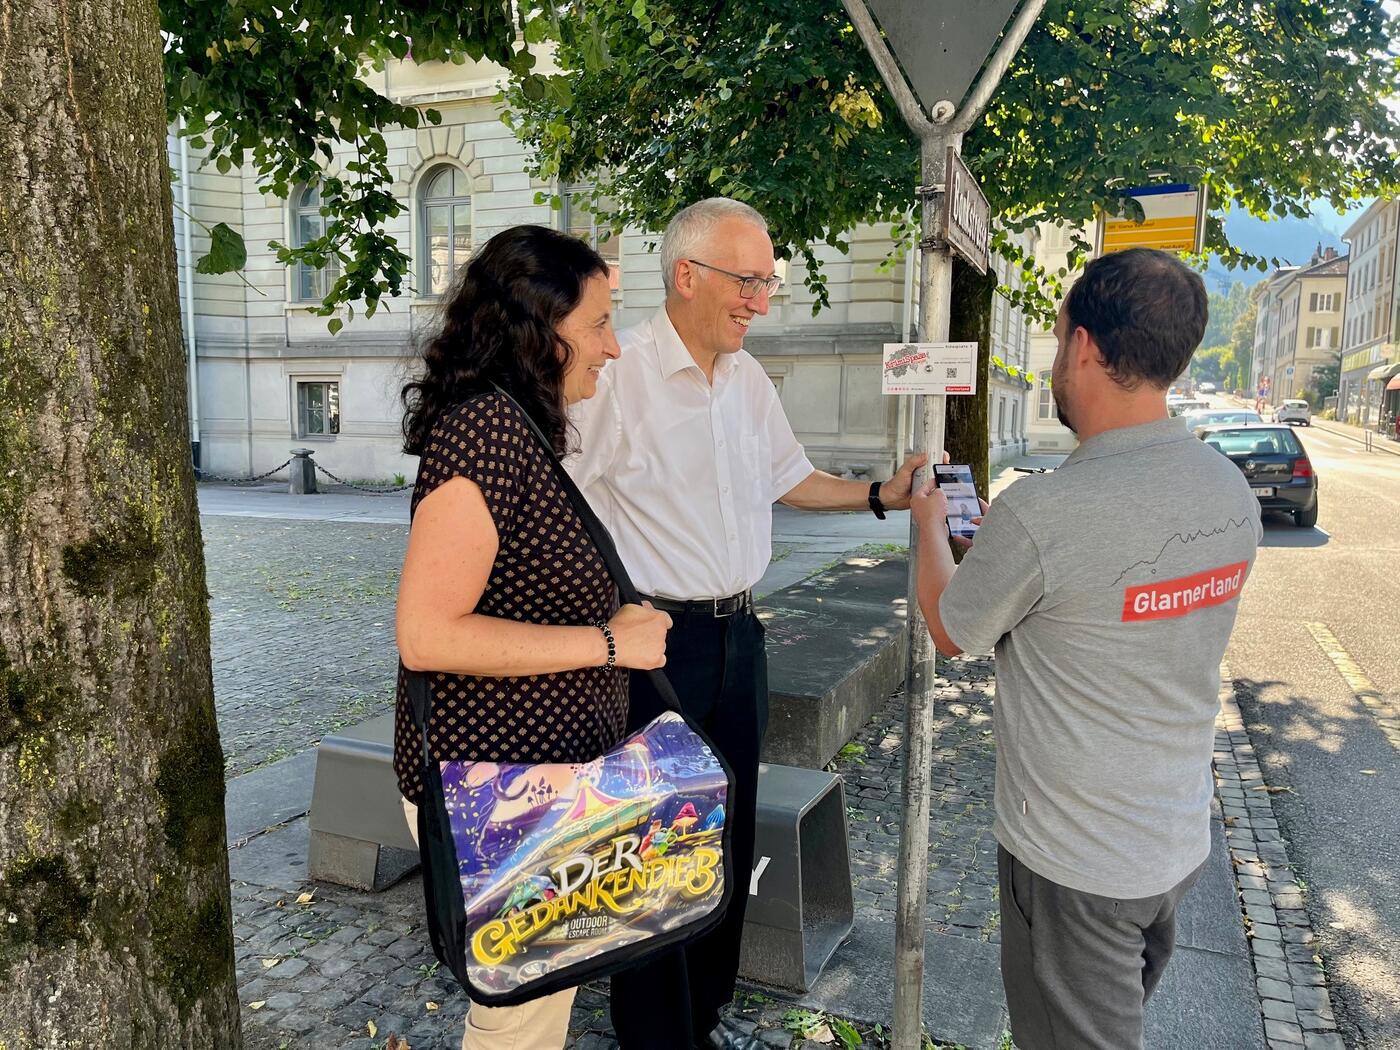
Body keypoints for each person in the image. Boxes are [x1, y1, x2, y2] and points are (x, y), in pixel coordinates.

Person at [568, 197, 927, 1050]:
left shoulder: (747, 378)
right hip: (655, 652)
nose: (761, 300)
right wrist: (600, 623)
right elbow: (562, 509)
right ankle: (655, 1036)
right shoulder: (617, 377)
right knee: (656, 851)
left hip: (740, 641)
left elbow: (791, 478)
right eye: (748, 281)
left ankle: (707, 1014)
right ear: (687, 275)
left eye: (768, 282)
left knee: (724, 838)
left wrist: (884, 493)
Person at [909, 247, 1262, 1050]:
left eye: (1060, 333)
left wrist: (931, 521)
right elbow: (1109, 601)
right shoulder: (1226, 488)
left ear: (1085, 348)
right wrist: (1017, 547)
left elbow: (950, 627)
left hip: (1075, 866)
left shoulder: (1049, 512)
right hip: (1172, 841)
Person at [393, 225, 673, 1049]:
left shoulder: (513, 428)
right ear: (534, 331)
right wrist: (609, 644)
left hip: (532, 790)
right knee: (518, 1023)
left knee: (532, 1010)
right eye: (596, 326)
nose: (614, 348)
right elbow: (426, 633)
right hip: (498, 794)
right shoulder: (484, 432)